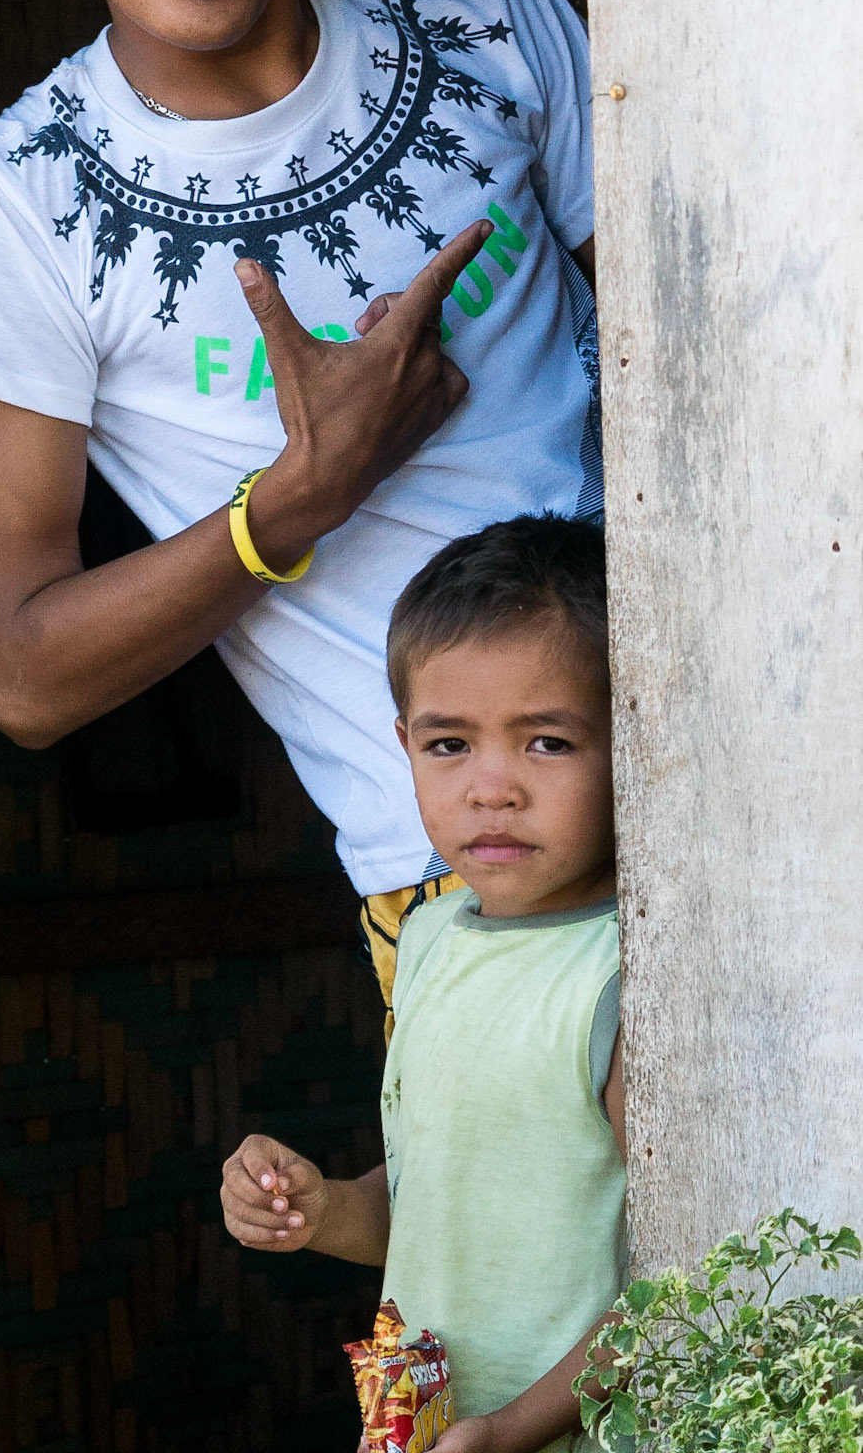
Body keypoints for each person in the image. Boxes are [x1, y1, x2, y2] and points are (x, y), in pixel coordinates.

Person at [0, 0, 601, 991]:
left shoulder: (484, 12)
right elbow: (26, 675)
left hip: (753, 762)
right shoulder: (23, 197)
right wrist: (300, 497)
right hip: (469, 887)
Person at [219, 515, 625, 1453]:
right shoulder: (432, 936)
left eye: (548, 743)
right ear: (402, 742)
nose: (492, 787)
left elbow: (679, 1278)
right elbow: (436, 1201)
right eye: (450, 745)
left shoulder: (621, 979)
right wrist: (321, 1209)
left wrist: (513, 1430)